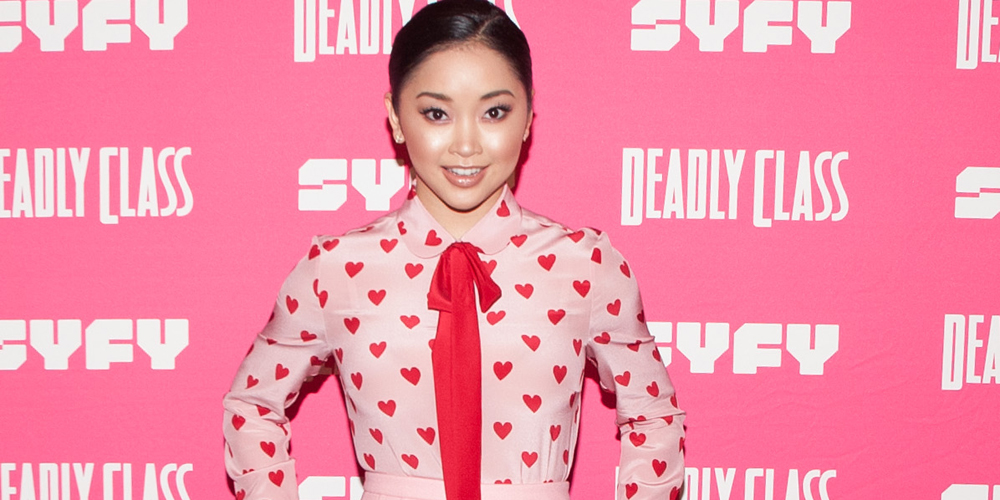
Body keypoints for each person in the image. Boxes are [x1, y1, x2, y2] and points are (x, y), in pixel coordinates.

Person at [222, 1, 685, 499]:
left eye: (494, 112)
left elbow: (652, 413)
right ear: (396, 117)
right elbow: (253, 405)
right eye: (437, 113)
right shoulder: (335, 269)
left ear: (529, 116)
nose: (466, 144)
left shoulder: (586, 265)